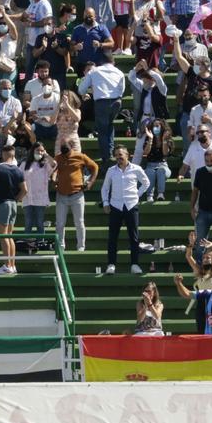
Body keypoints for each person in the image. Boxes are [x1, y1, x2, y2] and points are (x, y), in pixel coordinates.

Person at [101, 146, 150, 275]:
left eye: (121, 154)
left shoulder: (136, 169)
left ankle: (134, 264)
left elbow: (146, 183)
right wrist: (105, 203)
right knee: (112, 237)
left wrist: (137, 195)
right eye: (116, 155)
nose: (118, 157)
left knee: (134, 237)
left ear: (128, 155)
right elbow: (105, 188)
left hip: (131, 205)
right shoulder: (111, 170)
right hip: (115, 206)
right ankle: (111, 264)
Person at [77, 54, 126, 164]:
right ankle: (111, 151)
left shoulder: (94, 71)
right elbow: (122, 90)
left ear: (101, 62)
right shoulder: (119, 72)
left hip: (101, 103)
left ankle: (106, 158)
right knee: (110, 125)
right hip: (116, 102)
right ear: (113, 62)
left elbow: (81, 89)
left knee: (103, 131)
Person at [0, 145, 25, 274]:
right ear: (13, 155)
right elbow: (25, 190)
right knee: (9, 236)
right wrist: (15, 199)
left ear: (3, 154)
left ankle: (7, 266)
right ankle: (12, 266)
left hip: (2, 204)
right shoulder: (18, 170)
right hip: (13, 204)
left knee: (3, 237)